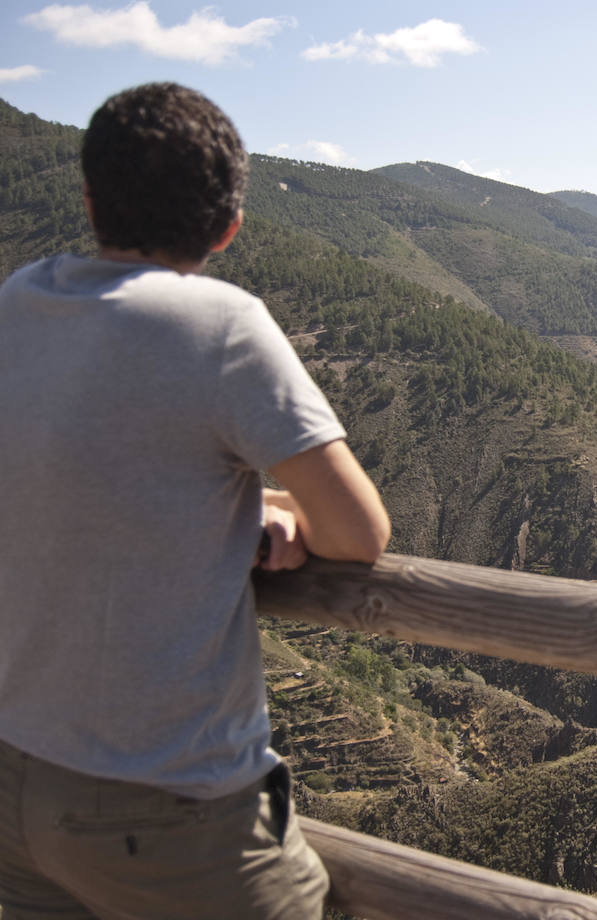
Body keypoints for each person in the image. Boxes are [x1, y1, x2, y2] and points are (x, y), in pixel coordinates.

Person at [0, 82, 390, 919]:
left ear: (89, 198)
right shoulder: (221, 326)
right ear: (228, 227)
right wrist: (276, 504)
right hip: (168, 798)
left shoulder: (19, 302)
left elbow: (83, 470)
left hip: (16, 778)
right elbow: (359, 535)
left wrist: (232, 505)